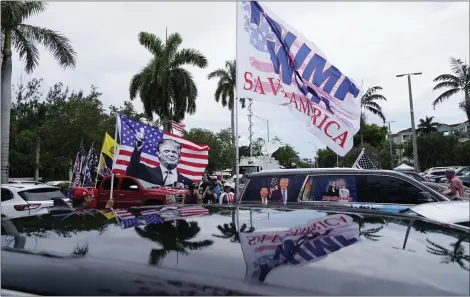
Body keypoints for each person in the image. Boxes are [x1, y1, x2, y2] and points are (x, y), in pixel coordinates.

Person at [126, 128, 193, 187]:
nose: (171, 154)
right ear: (158, 154)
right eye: (166, 151)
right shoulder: (147, 172)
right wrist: (138, 148)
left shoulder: (188, 181)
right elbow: (131, 172)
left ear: (179, 157)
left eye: (174, 152)